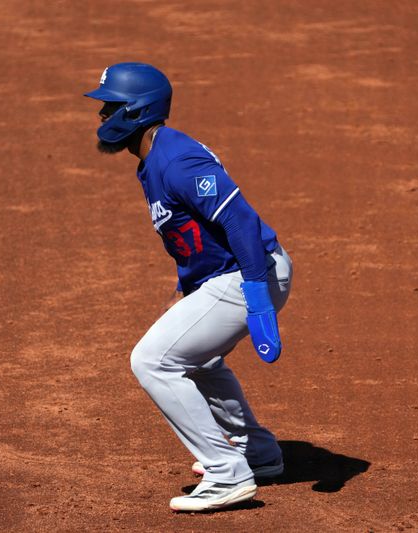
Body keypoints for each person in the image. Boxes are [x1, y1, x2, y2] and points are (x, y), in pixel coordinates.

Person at [84, 62, 293, 512]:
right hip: (231, 275)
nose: (102, 118)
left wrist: (257, 297)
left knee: (153, 360)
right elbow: (196, 240)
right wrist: (188, 293)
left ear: (137, 112)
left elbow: (239, 222)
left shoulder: (178, 160)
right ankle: (256, 453)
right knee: (197, 358)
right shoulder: (153, 159)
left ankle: (225, 472)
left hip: (251, 270)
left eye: (109, 107)